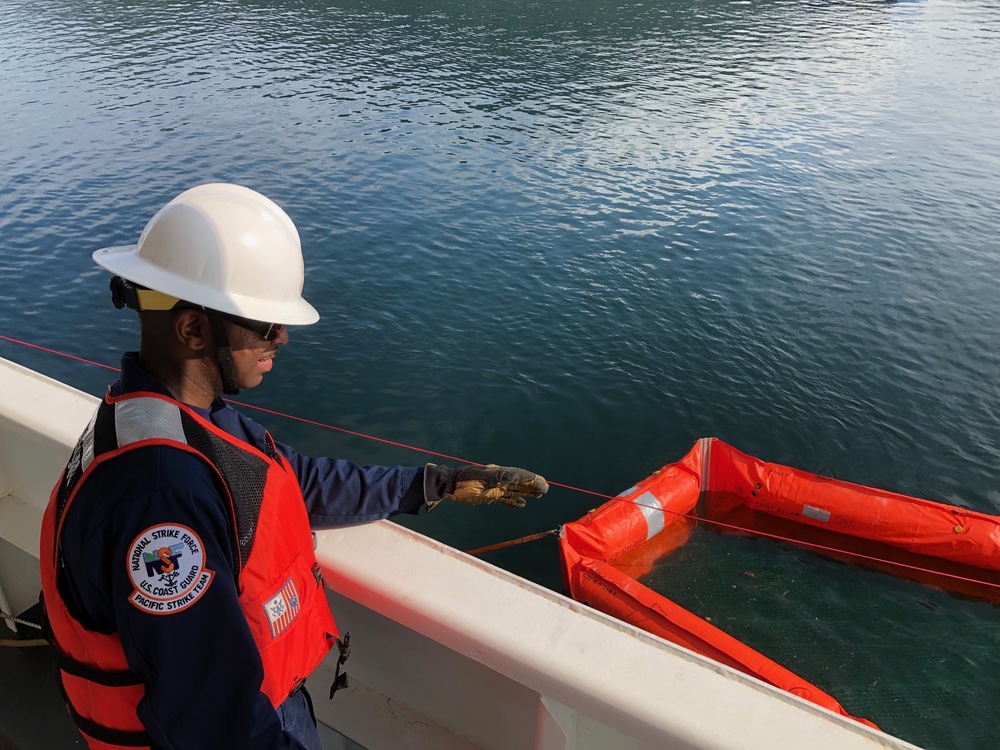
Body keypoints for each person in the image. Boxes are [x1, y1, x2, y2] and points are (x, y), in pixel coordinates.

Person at [39, 183, 549, 750]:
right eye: (263, 325)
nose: (281, 337)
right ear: (192, 328)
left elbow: (287, 482)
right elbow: (213, 718)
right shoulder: (162, 498)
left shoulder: (176, 415)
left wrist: (435, 484)